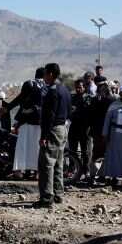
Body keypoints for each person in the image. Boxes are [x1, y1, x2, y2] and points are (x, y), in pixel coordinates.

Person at [35, 63, 71, 208]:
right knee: (58, 163)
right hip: (62, 128)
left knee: (46, 163)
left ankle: (46, 197)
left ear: (50, 74)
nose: (43, 77)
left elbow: (49, 115)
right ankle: (58, 194)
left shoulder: (52, 91)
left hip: (53, 129)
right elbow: (69, 110)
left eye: (45, 74)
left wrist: (44, 135)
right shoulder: (65, 89)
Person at [10, 80, 42, 177]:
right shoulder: (37, 94)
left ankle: (26, 171)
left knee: (26, 149)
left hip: (30, 125)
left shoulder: (36, 96)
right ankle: (34, 172)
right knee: (32, 149)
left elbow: (27, 110)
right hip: (33, 126)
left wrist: (18, 122)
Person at [68, 78, 96, 184]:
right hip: (74, 127)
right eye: (76, 87)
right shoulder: (72, 98)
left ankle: (86, 171)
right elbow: (69, 112)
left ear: (84, 87)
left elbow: (90, 113)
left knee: (86, 152)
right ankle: (72, 170)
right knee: (72, 150)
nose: (78, 89)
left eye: (80, 87)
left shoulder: (89, 98)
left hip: (85, 129)